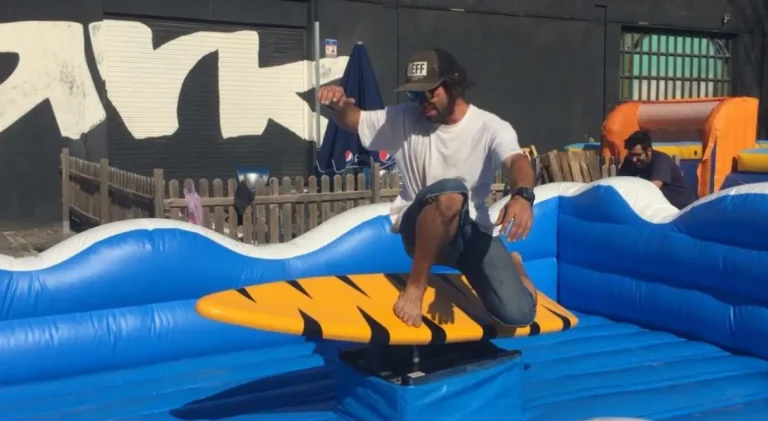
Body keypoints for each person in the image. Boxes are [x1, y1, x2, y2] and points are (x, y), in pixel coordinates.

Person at [317, 48, 538, 328]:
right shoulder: (403, 118)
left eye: (430, 93)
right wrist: (337, 105)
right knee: (450, 192)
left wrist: (522, 195)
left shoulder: (490, 127)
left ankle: (515, 264)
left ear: (453, 85)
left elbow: (516, 160)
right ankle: (416, 287)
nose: (422, 102)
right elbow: (352, 119)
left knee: (520, 315)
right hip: (420, 229)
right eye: (415, 95)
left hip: (470, 233)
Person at [617, 130, 697, 210]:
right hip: (661, 207)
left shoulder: (661, 161)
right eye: (631, 155)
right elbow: (620, 183)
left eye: (638, 155)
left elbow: (653, 187)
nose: (634, 159)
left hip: (681, 208)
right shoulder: (630, 161)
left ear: (648, 151)